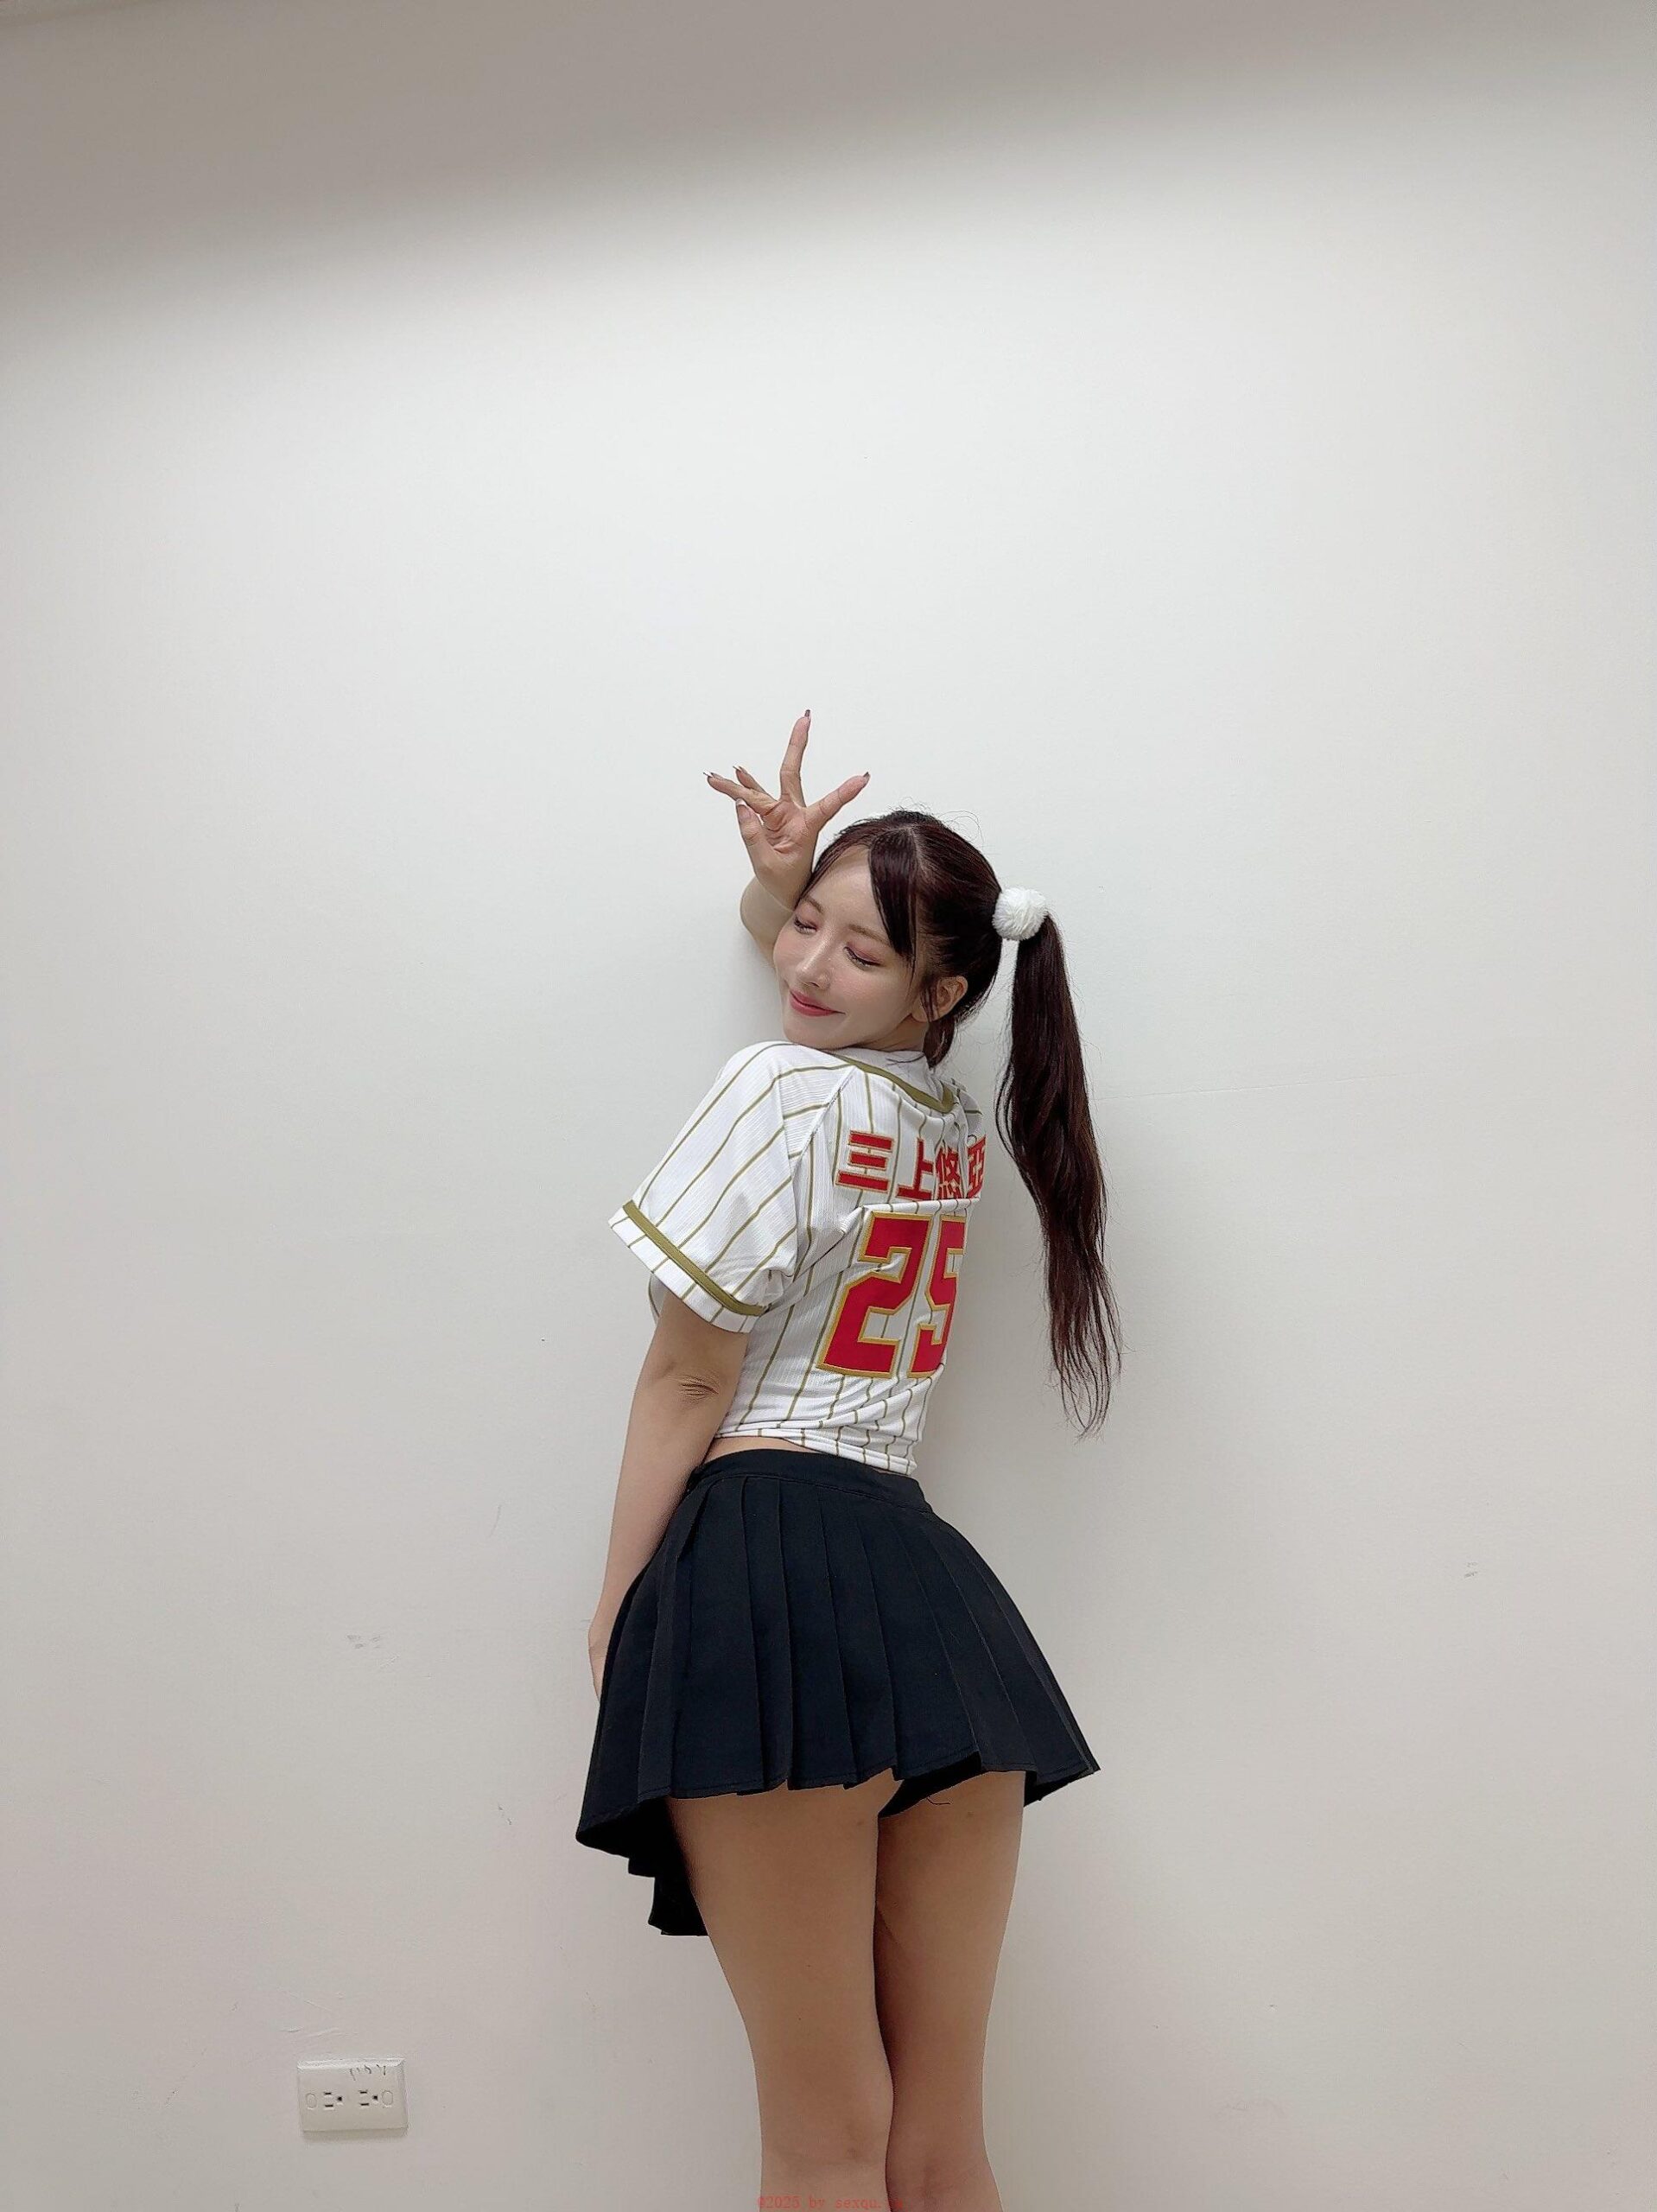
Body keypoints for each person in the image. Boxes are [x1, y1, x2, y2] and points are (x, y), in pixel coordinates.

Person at [575, 709, 1121, 2212]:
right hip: (931, 1608)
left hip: (763, 1576)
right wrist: (786, 888)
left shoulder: (776, 1090)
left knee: (823, 2142)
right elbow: (844, 1002)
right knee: (938, 2146)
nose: (805, 963)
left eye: (854, 949)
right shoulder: (943, 1126)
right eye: (801, 925)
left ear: (938, 991)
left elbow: (689, 1376)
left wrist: (619, 1615)